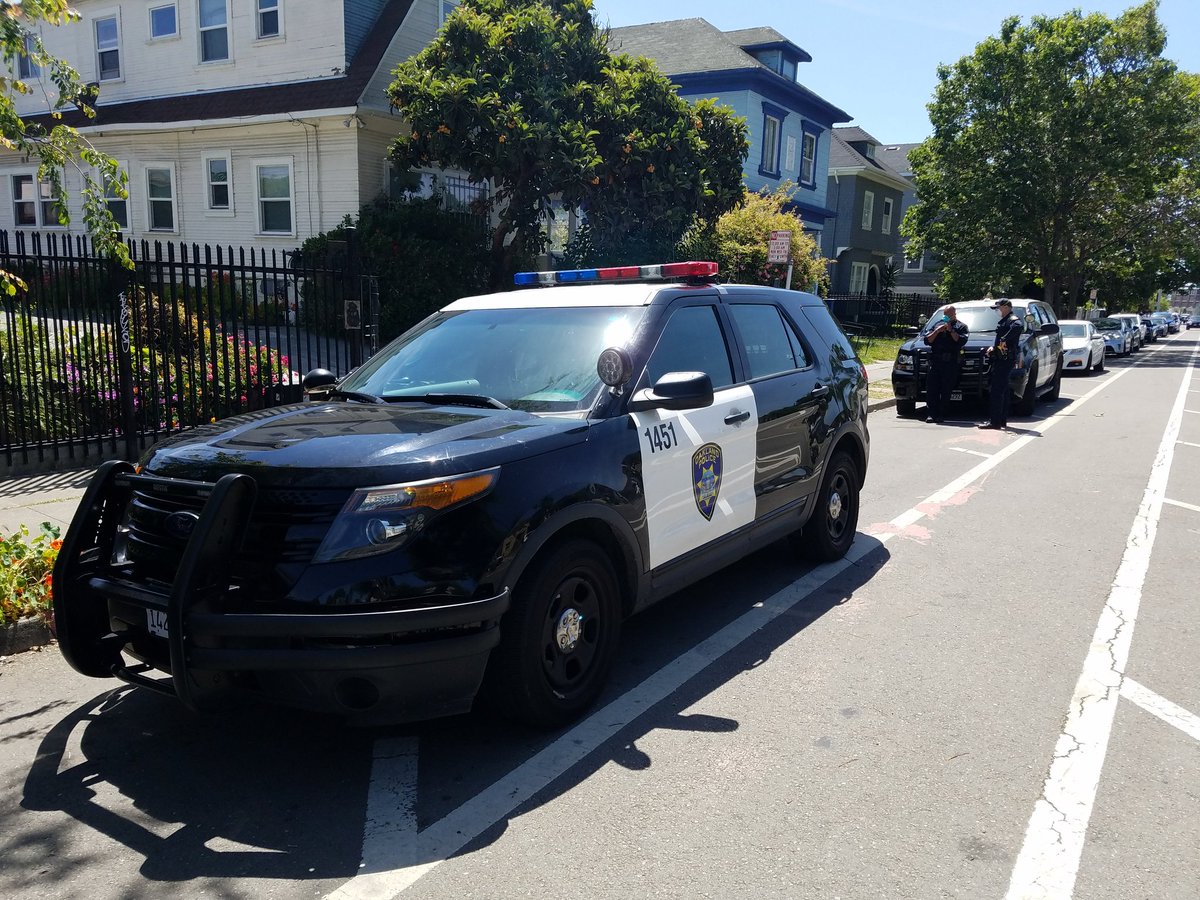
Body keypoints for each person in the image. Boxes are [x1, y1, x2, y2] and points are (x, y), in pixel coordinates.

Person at [978, 299, 1024, 430]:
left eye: (998, 308)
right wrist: (995, 347)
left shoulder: (1013, 319)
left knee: (997, 390)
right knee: (1002, 390)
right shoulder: (1005, 320)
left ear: (1006, 307)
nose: (997, 311)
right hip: (1001, 358)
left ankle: (995, 421)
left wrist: (1003, 340)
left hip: (1005, 359)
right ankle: (1001, 420)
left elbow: (1018, 327)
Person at [922, 306, 969, 423]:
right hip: (936, 361)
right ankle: (931, 414)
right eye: (945, 314)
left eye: (948, 315)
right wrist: (937, 331)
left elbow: (961, 341)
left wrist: (950, 330)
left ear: (954, 314)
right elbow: (927, 340)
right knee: (932, 389)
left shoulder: (961, 326)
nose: (946, 317)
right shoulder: (937, 324)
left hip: (950, 363)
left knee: (946, 390)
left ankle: (942, 414)